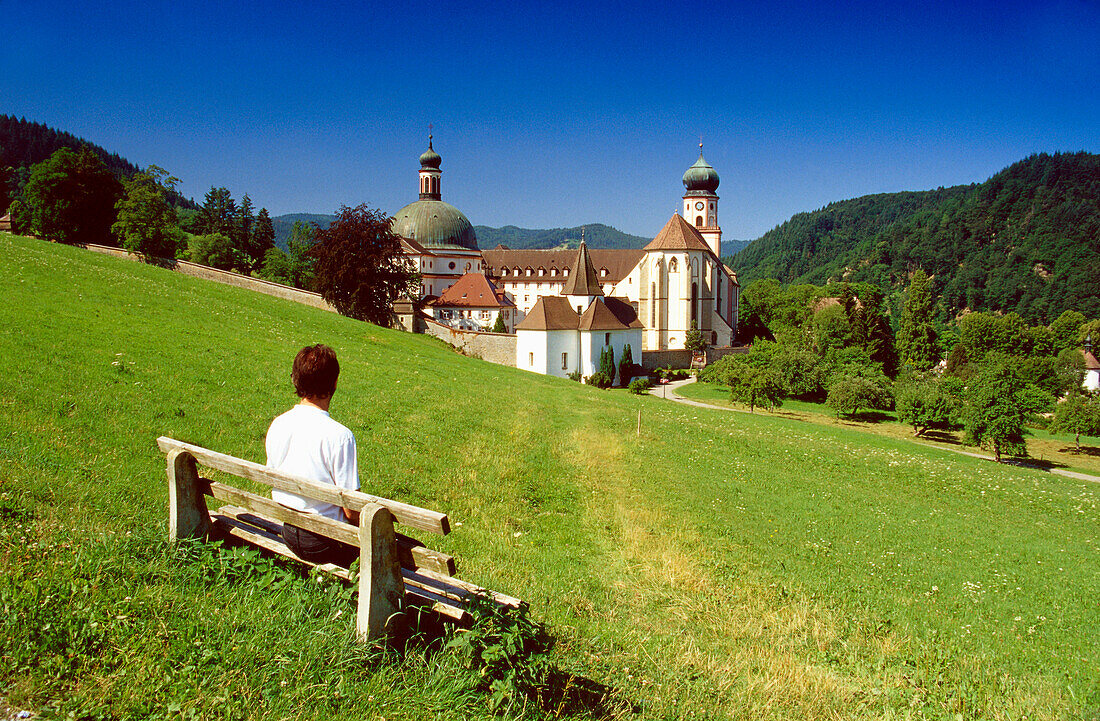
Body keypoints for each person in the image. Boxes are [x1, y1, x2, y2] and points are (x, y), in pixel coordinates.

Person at [266, 344, 360, 567]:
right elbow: (352, 511)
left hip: (288, 530)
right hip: (327, 542)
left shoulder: (279, 424)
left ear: (295, 380)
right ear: (335, 383)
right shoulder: (340, 436)